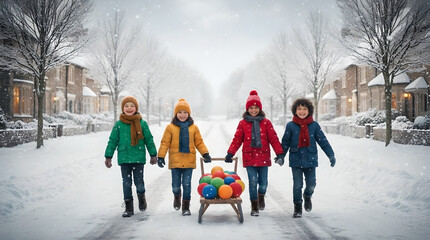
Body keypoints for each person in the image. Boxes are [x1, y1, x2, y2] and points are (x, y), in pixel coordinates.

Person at [225, 90, 284, 216]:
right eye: (251, 108)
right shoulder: (243, 123)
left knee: (263, 183)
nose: (253, 110)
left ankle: (261, 195)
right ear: (247, 109)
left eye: (256, 107)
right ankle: (254, 205)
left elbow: (273, 138)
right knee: (252, 181)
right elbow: (237, 139)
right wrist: (230, 153)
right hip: (249, 157)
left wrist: (279, 153)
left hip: (263, 156)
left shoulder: (266, 123)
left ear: (260, 108)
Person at [279, 97, 336, 218]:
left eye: (304, 109)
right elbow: (285, 142)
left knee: (311, 184)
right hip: (295, 159)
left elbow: (323, 141)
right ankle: (297, 208)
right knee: (297, 184)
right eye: (299, 109)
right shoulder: (291, 126)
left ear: (309, 111)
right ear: (295, 111)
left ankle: (307, 195)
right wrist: (281, 156)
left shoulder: (314, 126)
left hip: (310, 159)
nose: (302, 111)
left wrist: (331, 155)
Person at [104, 96, 158, 217]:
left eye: (132, 106)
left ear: (136, 108)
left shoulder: (142, 124)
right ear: (122, 108)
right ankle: (129, 207)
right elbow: (112, 141)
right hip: (124, 158)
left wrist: (153, 154)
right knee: (126, 183)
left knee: (139, 182)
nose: (129, 108)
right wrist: (108, 156)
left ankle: (141, 196)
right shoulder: (118, 125)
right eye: (126, 106)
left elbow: (149, 139)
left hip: (138, 157)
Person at [157, 98, 211, 216]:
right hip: (175, 161)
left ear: (189, 114)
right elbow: (165, 142)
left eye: (185, 112)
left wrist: (205, 153)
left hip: (188, 161)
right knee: (176, 185)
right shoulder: (170, 127)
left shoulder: (194, 128)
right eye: (180, 112)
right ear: (176, 114)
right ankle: (177, 196)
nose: (182, 115)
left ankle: (186, 206)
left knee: (187, 184)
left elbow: (199, 142)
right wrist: (161, 156)